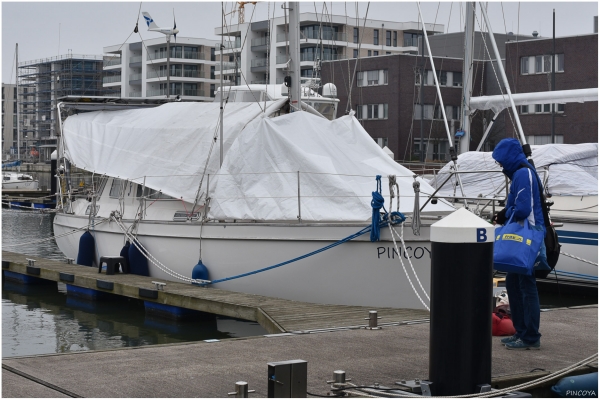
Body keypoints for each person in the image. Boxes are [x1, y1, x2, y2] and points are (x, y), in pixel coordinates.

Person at [492, 138, 546, 350]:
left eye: (501, 161)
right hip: (526, 234)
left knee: (525, 285)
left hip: (528, 235)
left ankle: (530, 336)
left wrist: (506, 216)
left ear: (508, 158)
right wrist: (505, 213)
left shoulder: (523, 173)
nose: (500, 165)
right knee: (515, 284)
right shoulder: (521, 172)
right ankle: (521, 332)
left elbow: (523, 209)